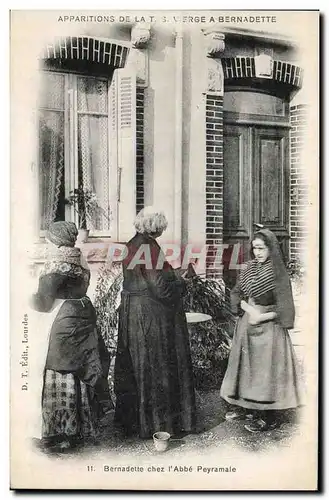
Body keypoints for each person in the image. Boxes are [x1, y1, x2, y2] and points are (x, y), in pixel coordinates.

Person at [114, 207, 196, 439]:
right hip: (149, 314)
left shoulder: (132, 243)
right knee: (156, 365)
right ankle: (157, 425)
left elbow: (147, 277)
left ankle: (134, 423)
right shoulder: (149, 247)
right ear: (156, 227)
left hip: (132, 312)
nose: (162, 230)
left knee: (137, 366)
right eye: (161, 226)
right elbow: (159, 287)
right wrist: (182, 283)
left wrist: (173, 274)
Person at [30, 221, 111, 452]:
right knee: (81, 369)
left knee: (60, 368)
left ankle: (60, 432)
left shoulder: (54, 264)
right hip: (83, 313)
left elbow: (44, 303)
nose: (47, 242)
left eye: (49, 239)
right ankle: (81, 428)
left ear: (56, 241)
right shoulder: (80, 260)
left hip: (63, 319)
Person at [220, 228, 303, 432]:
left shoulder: (278, 272)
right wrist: (248, 309)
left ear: (271, 249)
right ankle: (245, 407)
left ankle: (269, 417)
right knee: (245, 369)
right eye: (255, 248)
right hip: (248, 326)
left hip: (270, 330)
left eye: (262, 248)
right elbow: (237, 293)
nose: (257, 253)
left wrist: (263, 316)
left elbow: (285, 308)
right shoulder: (249, 268)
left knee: (266, 373)